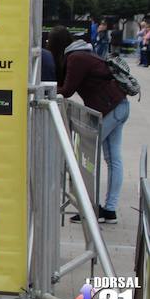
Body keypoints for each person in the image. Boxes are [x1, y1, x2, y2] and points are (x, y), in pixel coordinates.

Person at [47, 26, 129, 224]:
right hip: (118, 105)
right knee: (112, 158)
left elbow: (67, 89)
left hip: (111, 108)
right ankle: (109, 209)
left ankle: (90, 208)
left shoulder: (76, 58)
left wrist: (45, 88)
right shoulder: (82, 53)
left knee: (88, 155)